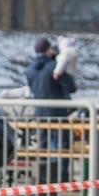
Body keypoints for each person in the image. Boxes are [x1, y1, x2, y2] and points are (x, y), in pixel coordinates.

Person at [25, 37, 77, 184]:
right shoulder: (54, 66)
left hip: (40, 114)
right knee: (63, 147)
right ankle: (62, 178)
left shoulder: (29, 70)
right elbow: (71, 86)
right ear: (48, 50)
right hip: (58, 114)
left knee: (42, 146)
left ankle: (42, 178)